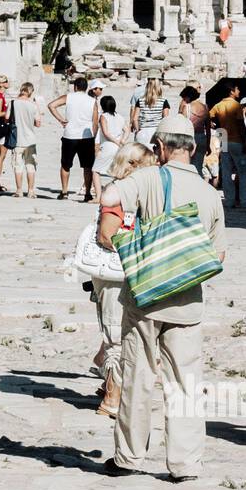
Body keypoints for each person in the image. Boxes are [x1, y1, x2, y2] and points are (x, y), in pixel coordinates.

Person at [97, 115, 226, 480]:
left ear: (161, 147)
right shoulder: (208, 192)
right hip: (187, 301)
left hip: (146, 296)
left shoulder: (149, 177)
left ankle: (129, 457)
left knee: (138, 376)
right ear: (194, 148)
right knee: (184, 382)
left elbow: (109, 196)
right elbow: (218, 256)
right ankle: (185, 464)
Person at [89, 143, 157, 419]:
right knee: (116, 333)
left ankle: (109, 378)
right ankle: (113, 397)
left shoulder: (135, 192)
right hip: (117, 273)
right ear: (133, 166)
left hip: (131, 274)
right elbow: (107, 235)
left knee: (124, 331)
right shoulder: (116, 194)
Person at [49, 77, 97, 202]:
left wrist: (61, 119)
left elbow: (51, 105)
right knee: (87, 166)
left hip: (69, 135)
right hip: (86, 136)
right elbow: (95, 121)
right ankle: (87, 193)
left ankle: (64, 192)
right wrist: (95, 137)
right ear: (86, 88)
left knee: (66, 165)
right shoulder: (92, 101)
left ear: (75, 87)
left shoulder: (68, 97)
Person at [209, 82, 246, 209]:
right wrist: (245, 142)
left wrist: (214, 126)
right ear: (231, 91)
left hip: (225, 141)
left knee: (226, 172)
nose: (239, 90)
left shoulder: (218, 106)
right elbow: (241, 126)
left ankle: (229, 201)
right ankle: (245, 201)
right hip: (237, 141)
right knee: (243, 172)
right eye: (237, 88)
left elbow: (208, 117)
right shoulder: (236, 106)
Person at [91, 95, 127, 197]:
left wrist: (116, 141)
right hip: (118, 148)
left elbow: (106, 133)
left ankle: (98, 196)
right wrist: (122, 140)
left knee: (95, 170)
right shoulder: (119, 116)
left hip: (108, 146)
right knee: (116, 172)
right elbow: (127, 130)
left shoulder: (103, 116)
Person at [10, 83, 42, 198]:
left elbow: (7, 118)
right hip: (30, 140)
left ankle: (19, 190)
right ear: (30, 91)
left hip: (17, 139)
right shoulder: (33, 105)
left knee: (18, 166)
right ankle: (31, 191)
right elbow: (38, 123)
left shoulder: (13, 103)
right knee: (30, 166)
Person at [178, 85, 209, 172]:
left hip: (189, 139)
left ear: (188, 97)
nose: (183, 100)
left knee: (187, 167)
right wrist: (208, 143)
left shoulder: (186, 108)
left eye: (184, 98)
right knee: (198, 167)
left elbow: (182, 126)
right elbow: (208, 128)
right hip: (202, 138)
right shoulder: (205, 107)